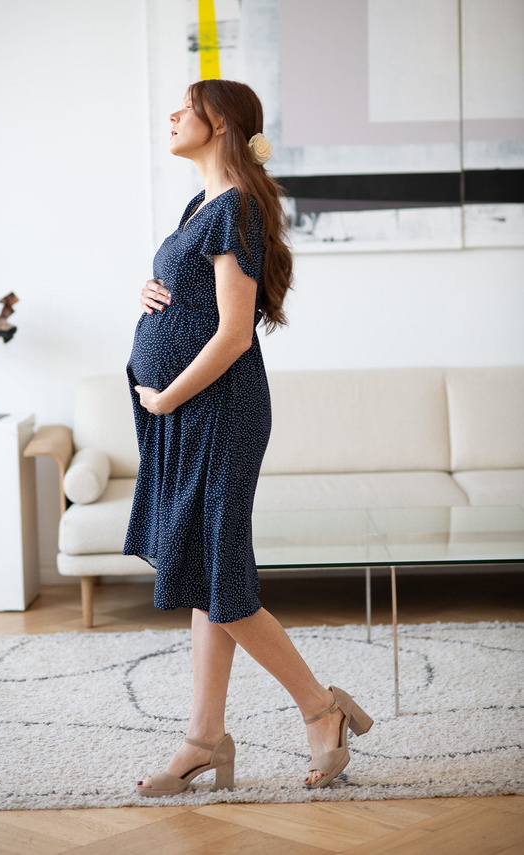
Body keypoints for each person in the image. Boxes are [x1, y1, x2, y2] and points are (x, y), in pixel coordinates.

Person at [123, 79, 373, 796]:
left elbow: (234, 334)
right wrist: (147, 292)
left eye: (185, 107)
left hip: (218, 410)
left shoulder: (233, 208)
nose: (171, 115)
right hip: (189, 411)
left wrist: (167, 393)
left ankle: (321, 711)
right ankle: (206, 738)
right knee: (207, 571)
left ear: (220, 122)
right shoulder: (201, 205)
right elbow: (195, 301)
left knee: (224, 581)